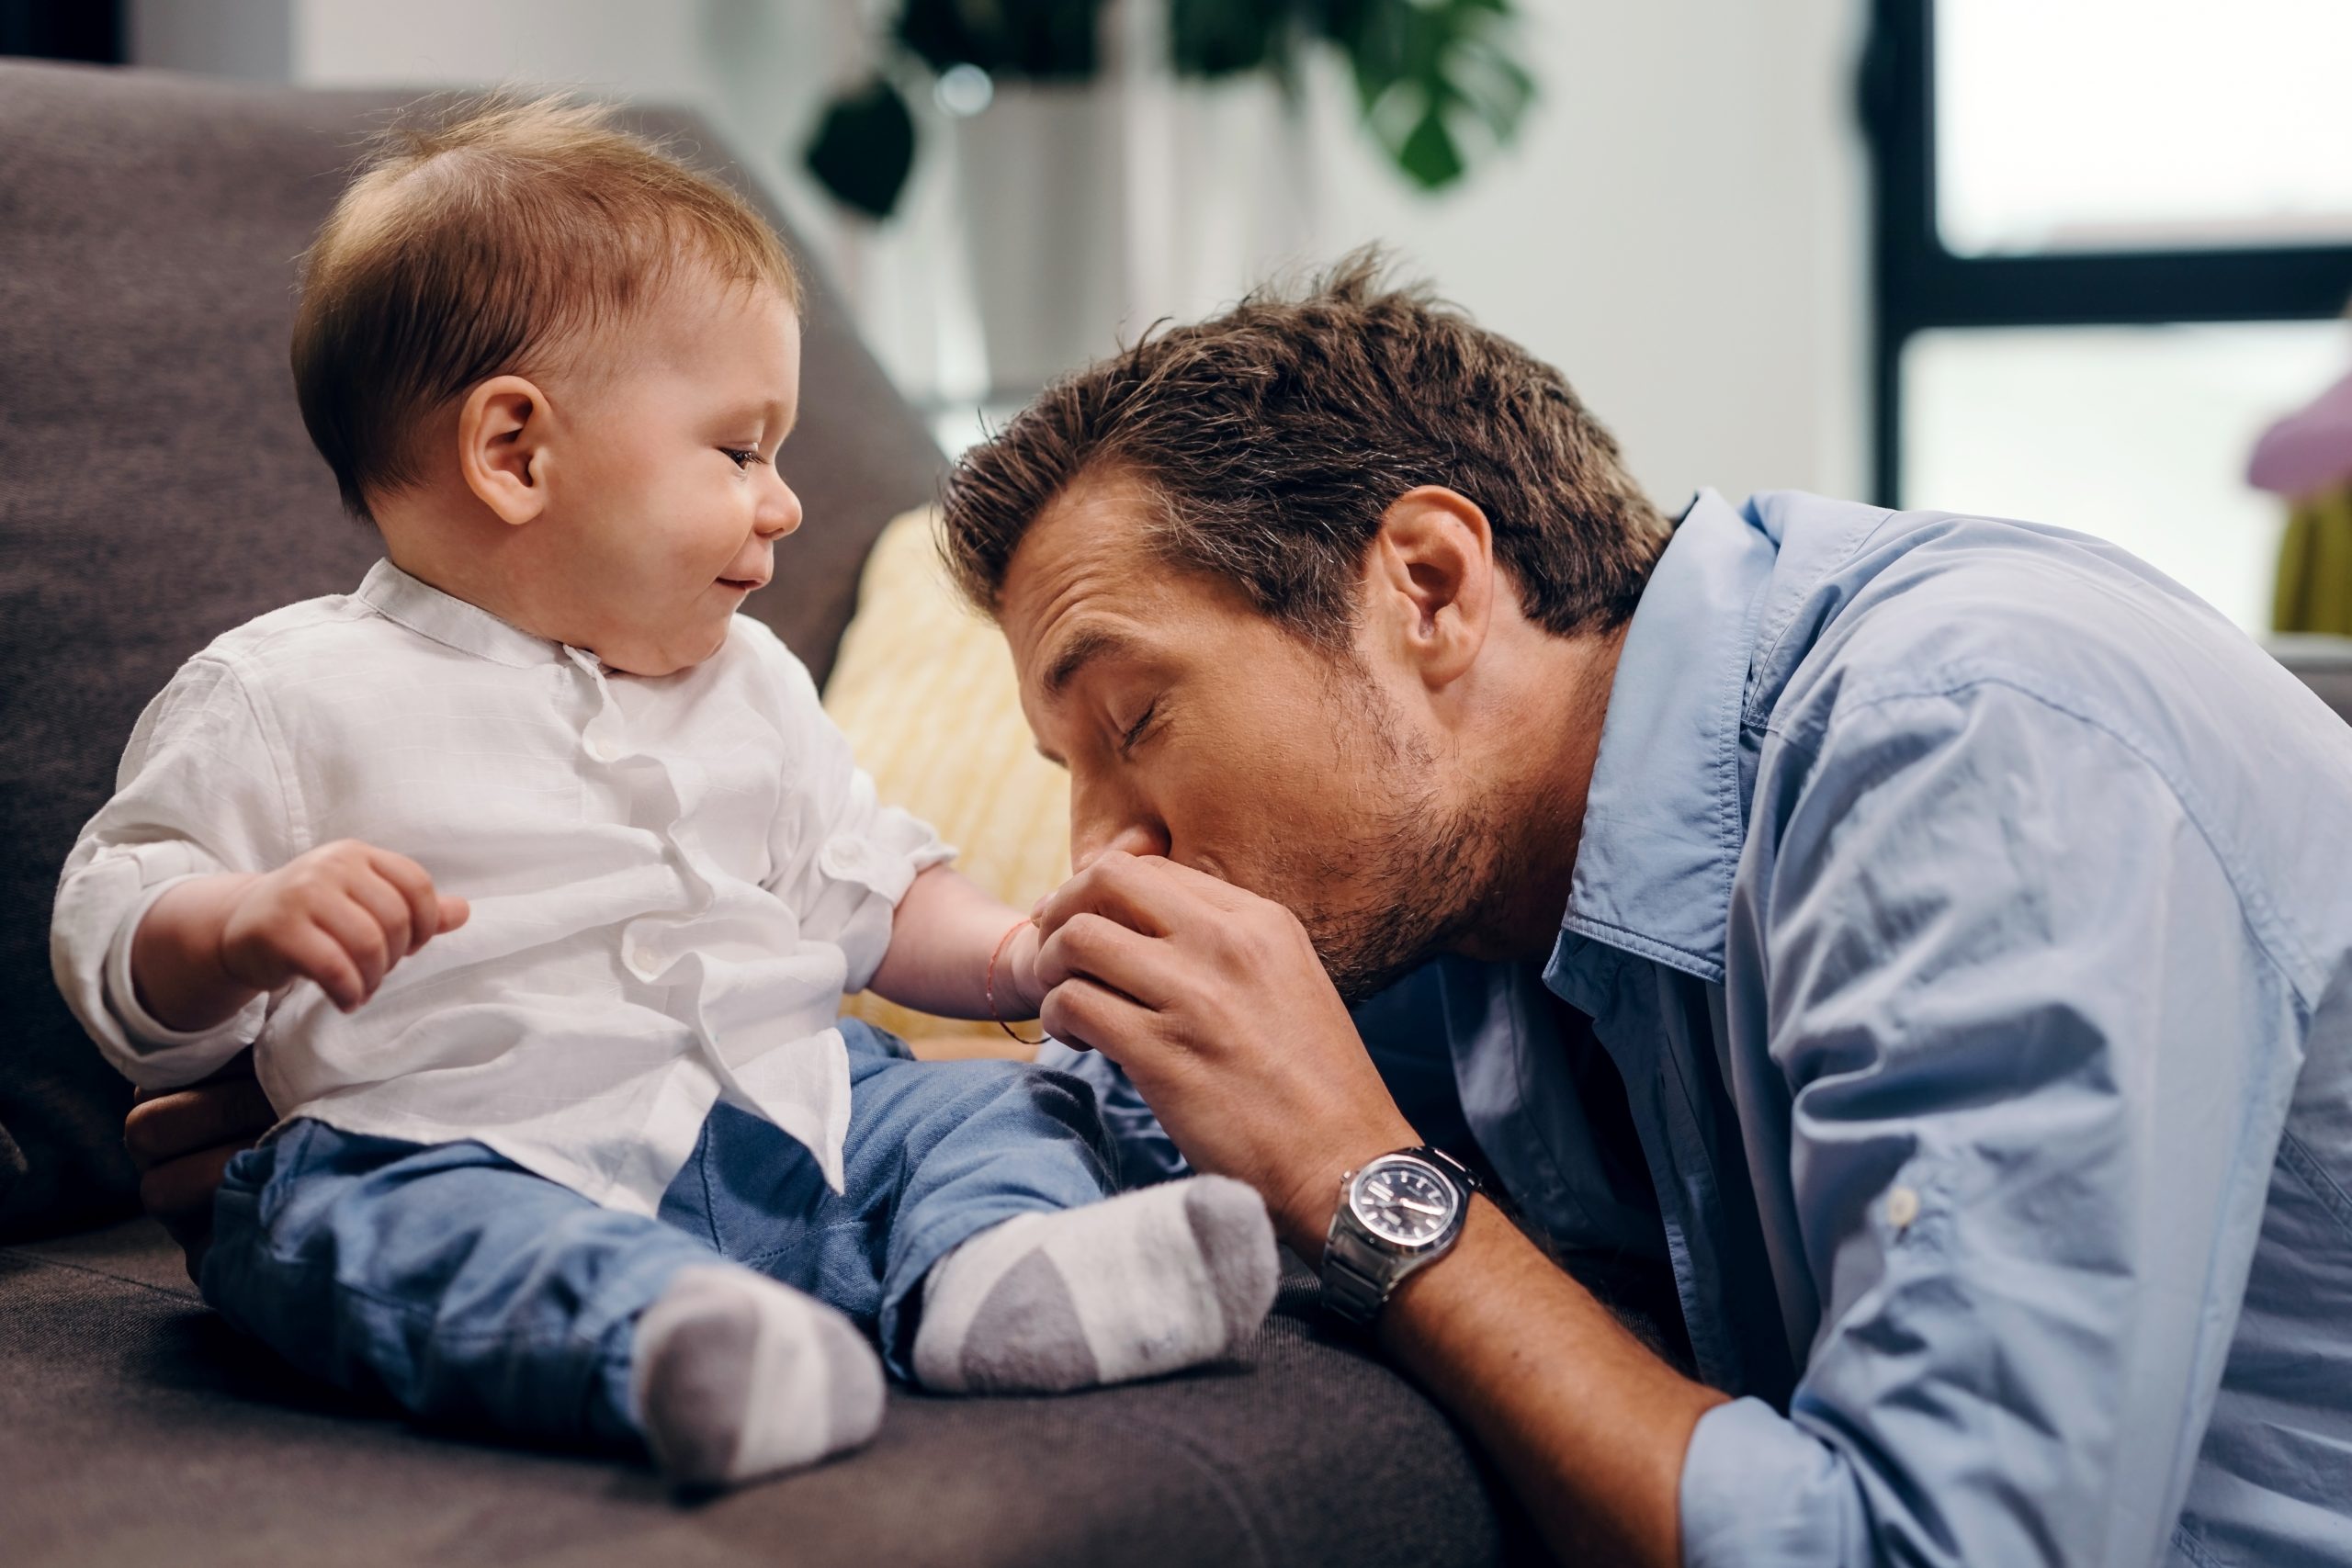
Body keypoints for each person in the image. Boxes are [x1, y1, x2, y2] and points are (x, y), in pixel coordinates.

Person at [125, 254, 2352, 1564]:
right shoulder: (1463, 904)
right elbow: (1051, 1127)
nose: (1101, 846)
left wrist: (1372, 1185)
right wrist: (459, 1116)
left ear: (1427, 584)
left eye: (1132, 718)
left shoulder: (1976, 751)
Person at [50, 98, 1275, 1493]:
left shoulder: (747, 679)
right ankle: (674, 1344)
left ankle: (1002, 1272)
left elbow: (866, 889)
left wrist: (1019, 954)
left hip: (789, 1110)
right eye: (742, 450)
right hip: (462, 1143)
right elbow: (115, 919)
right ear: (516, 454)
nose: (784, 503)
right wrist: (235, 928)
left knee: (983, 1108)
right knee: (338, 1226)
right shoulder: (283, 697)